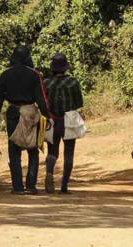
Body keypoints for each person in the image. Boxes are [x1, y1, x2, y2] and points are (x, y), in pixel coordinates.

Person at [0, 46, 50, 195]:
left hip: (13, 113)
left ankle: (17, 187)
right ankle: (31, 186)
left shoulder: (5, 75)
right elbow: (41, 99)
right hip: (31, 113)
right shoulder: (34, 75)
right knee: (33, 151)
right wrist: (47, 116)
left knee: (14, 152)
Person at [44, 53, 83, 194]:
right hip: (69, 121)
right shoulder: (73, 82)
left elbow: (43, 102)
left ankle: (49, 172)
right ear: (65, 68)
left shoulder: (46, 83)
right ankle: (64, 186)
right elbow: (80, 103)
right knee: (69, 154)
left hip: (53, 121)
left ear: (53, 68)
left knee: (52, 151)